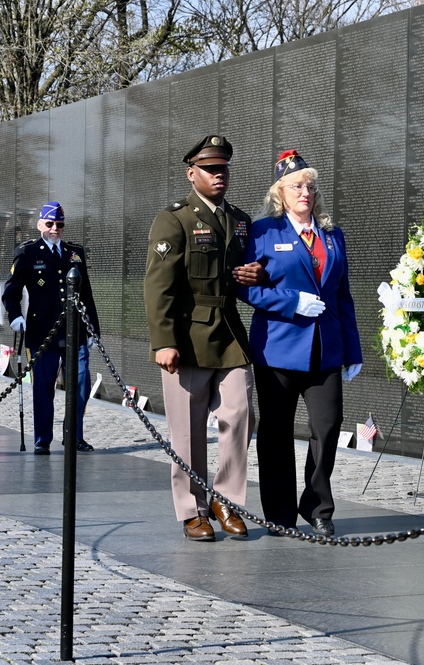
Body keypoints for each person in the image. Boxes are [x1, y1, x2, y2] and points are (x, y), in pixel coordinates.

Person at [144, 135, 265, 542]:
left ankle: (225, 499)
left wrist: (259, 275)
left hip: (229, 332)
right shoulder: (174, 219)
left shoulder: (240, 220)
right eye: (210, 169)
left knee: (240, 413)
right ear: (191, 172)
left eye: (224, 168)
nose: (219, 175)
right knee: (188, 430)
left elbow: (250, 271)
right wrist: (164, 340)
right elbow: (158, 286)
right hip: (187, 335)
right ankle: (193, 508)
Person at [239, 150, 362, 536]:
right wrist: (292, 302)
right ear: (280, 192)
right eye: (296, 186)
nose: (304, 192)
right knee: (276, 433)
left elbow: (343, 296)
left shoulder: (332, 234)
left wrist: (353, 349)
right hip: (278, 348)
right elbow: (245, 289)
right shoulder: (263, 232)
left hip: (326, 349)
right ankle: (279, 514)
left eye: (309, 185)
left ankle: (318, 508)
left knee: (327, 427)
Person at [1, 202, 100, 455]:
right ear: (39, 225)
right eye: (50, 224)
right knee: (43, 387)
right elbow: (11, 293)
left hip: (75, 329)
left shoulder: (75, 252)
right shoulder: (27, 252)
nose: (55, 229)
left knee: (80, 385)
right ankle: (43, 439)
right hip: (42, 331)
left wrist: (93, 330)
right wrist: (15, 316)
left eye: (60, 225)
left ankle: (74, 435)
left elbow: (86, 293)